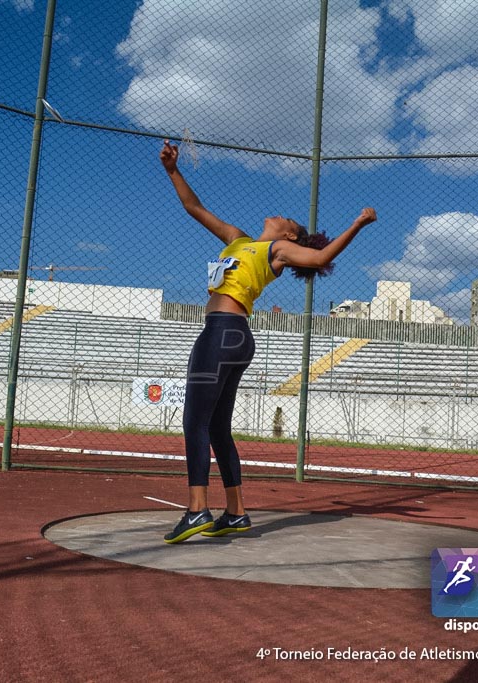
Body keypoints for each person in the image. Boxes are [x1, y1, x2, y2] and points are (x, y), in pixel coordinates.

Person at [159, 140, 377, 543]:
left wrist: (357, 224)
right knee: (218, 429)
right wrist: (173, 170)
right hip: (233, 336)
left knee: (195, 421)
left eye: (286, 218)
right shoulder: (240, 240)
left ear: (291, 234)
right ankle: (237, 513)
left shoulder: (278, 249)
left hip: (223, 331)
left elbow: (319, 258)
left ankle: (195, 509)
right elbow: (194, 209)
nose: (278, 214)